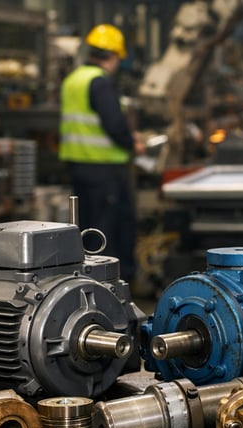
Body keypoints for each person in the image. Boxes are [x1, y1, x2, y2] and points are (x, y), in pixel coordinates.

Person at [60, 24, 143, 283]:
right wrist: (133, 143)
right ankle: (113, 289)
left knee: (88, 233)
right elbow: (114, 124)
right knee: (111, 234)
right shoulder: (100, 83)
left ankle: (86, 285)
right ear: (114, 56)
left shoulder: (74, 79)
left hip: (79, 167)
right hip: (104, 170)